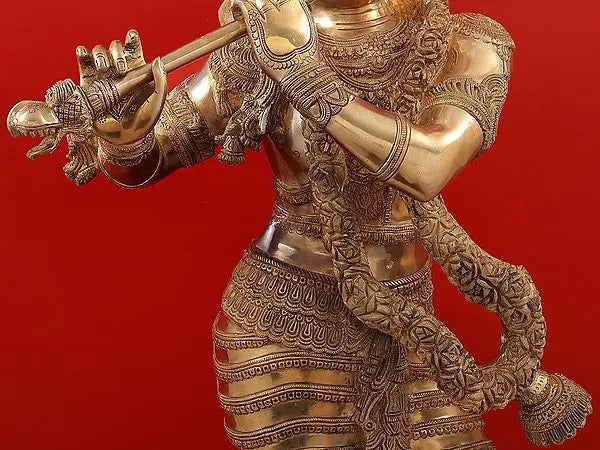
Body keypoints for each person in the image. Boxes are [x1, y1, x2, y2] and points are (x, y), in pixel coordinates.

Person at [7, 1, 592, 448]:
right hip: (283, 323)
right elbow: (159, 152)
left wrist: (300, 69)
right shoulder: (257, 43)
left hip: (407, 317)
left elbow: (428, 164)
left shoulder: (466, 43)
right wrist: (126, 139)